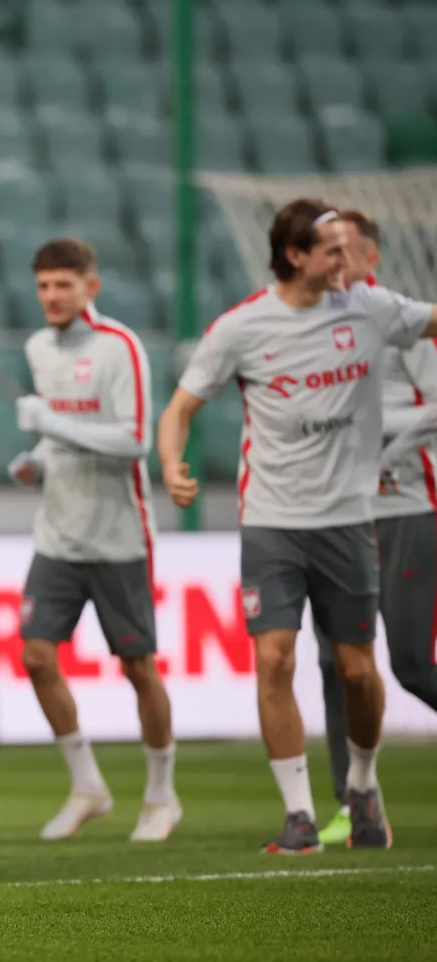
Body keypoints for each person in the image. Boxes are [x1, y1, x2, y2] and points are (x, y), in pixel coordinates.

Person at [158, 198, 437, 854]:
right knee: (274, 657)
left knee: (359, 672)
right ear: (295, 256)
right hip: (272, 522)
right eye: (334, 251)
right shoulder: (242, 328)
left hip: (348, 520)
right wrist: (172, 463)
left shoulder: (369, 308)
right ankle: (298, 816)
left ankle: (363, 787)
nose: (350, 262)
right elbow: (180, 408)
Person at [7, 238, 179, 843]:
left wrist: (51, 425)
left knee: (137, 666)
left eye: (63, 285)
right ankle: (88, 785)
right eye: (44, 287)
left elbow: (133, 440)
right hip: (58, 533)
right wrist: (35, 459)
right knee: (34, 654)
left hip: (117, 536)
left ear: (90, 288)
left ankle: (161, 794)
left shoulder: (120, 348)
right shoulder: (38, 349)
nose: (52, 297)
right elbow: (61, 440)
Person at [314, 210, 437, 845]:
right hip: (339, 516)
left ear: (371, 261)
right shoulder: (309, 328)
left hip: (407, 507)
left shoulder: (404, 326)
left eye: (345, 254)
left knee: (414, 663)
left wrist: (376, 452)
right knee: (335, 663)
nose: (334, 265)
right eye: (324, 253)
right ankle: (355, 805)